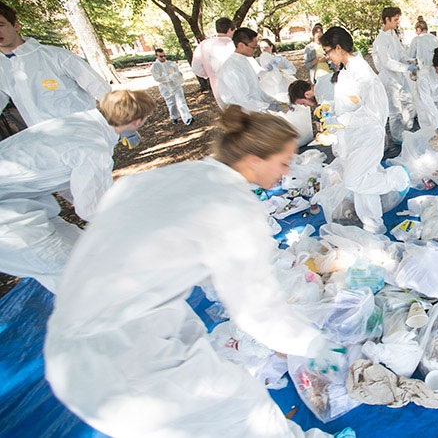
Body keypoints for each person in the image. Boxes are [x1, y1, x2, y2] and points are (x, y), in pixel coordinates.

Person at [44, 106, 351, 438]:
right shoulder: (231, 206)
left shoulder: (168, 177)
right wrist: (310, 342)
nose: (286, 171)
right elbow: (256, 311)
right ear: (253, 160)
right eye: (283, 162)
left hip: (75, 341)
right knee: (246, 411)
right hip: (119, 364)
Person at [0, 90, 153, 293]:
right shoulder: (93, 147)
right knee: (73, 274)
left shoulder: (79, 123)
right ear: (137, 122)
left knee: (86, 252)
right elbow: (91, 209)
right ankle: (106, 315)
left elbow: (72, 185)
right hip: (7, 215)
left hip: (19, 198)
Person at [313, 26, 410, 233]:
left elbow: (374, 112)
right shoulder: (346, 70)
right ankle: (373, 224)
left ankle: (397, 177)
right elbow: (349, 103)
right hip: (353, 135)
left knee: (354, 180)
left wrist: (341, 120)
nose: (327, 57)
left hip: (367, 135)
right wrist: (330, 109)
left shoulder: (361, 72)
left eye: (328, 51)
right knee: (364, 183)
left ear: (338, 48)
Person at [0, 1, 111, 128]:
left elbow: (99, 87)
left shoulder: (56, 56)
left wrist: (124, 120)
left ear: (15, 25)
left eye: (0, 25)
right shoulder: (2, 68)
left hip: (86, 133)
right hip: (46, 140)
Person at [217, 28, 288, 114]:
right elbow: (243, 100)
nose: (255, 50)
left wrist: (274, 101)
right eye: (253, 47)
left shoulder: (245, 60)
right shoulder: (232, 68)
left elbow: (256, 91)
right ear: (241, 45)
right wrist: (268, 106)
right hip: (243, 114)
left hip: (254, 108)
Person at [372, 7, 417, 143]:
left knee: (409, 102)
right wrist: (406, 67)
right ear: (387, 19)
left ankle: (407, 132)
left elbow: (401, 54)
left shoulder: (393, 35)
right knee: (395, 111)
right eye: (396, 20)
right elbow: (387, 62)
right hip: (389, 80)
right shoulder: (381, 40)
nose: (398, 22)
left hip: (399, 77)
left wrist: (410, 60)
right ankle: (398, 139)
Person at [191, 17, 235, 108]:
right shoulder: (236, 45)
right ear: (230, 30)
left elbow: (196, 68)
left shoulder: (203, 45)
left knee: (229, 117)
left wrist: (211, 75)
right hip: (237, 89)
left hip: (217, 88)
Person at [149, 48, 193, 125]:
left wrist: (178, 75)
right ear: (156, 56)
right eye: (161, 56)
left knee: (181, 102)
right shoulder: (154, 67)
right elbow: (157, 78)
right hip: (165, 88)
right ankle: (174, 117)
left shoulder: (171, 63)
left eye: (164, 56)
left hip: (176, 85)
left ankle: (187, 118)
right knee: (171, 103)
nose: (163, 58)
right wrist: (169, 77)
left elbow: (178, 72)